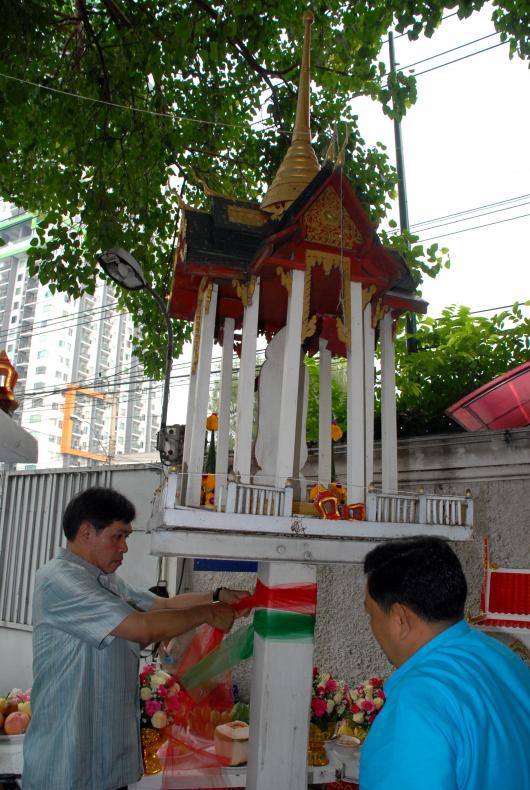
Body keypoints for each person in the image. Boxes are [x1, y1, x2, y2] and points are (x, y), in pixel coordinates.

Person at [22, 486, 248, 790]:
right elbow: (142, 627)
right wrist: (208, 613)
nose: (125, 548)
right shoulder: (60, 579)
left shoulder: (106, 582)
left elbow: (163, 606)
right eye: (118, 536)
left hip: (105, 763)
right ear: (86, 532)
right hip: (65, 763)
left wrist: (217, 596)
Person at [360, 536, 530, 790]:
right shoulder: (506, 660)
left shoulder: (417, 702)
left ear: (400, 618)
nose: (372, 626)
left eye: (371, 615)